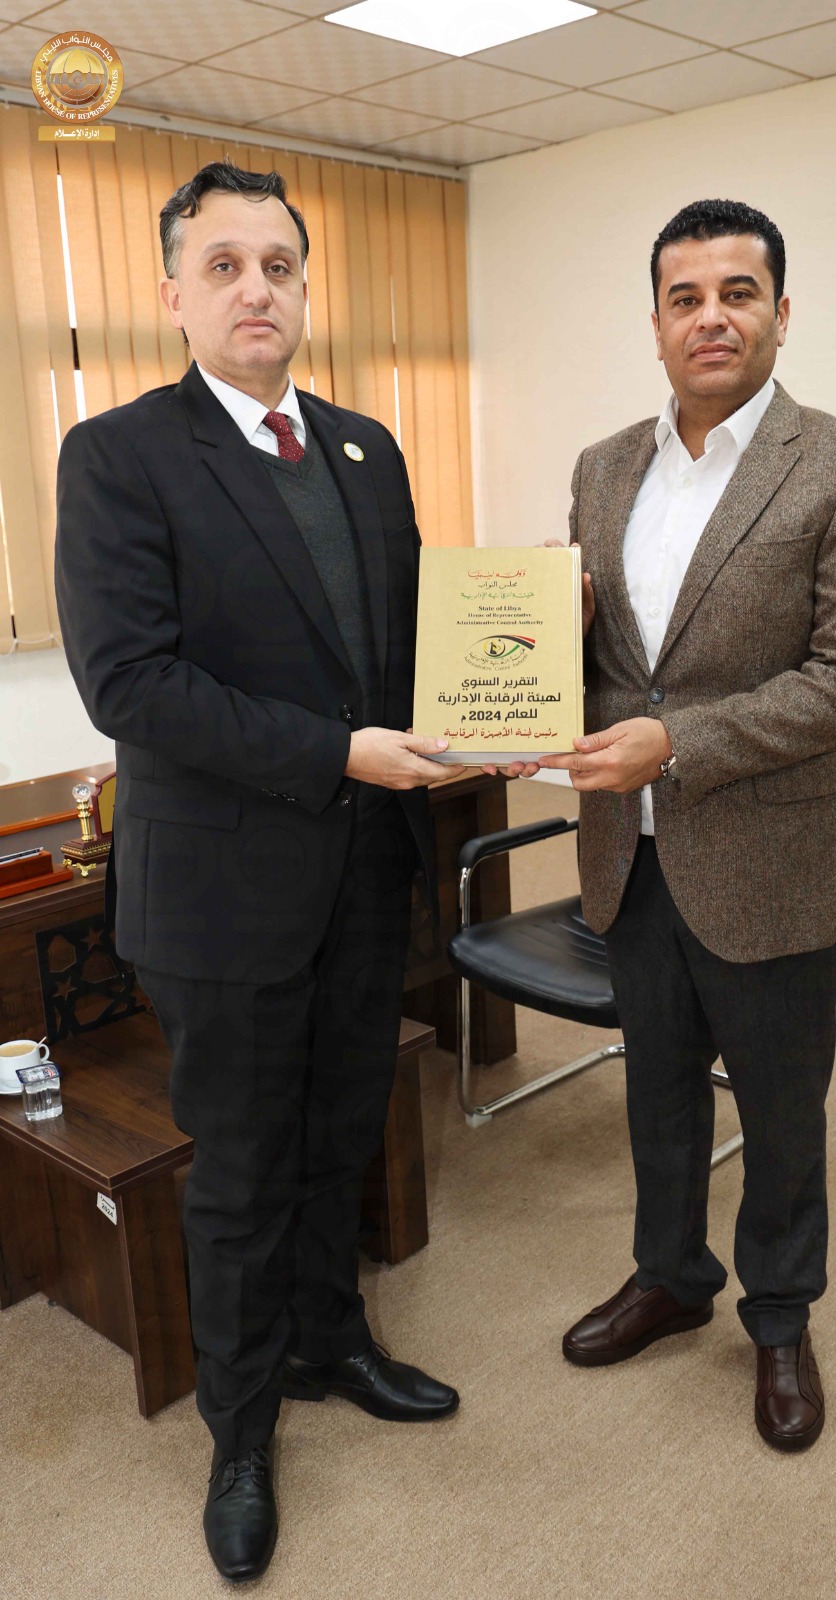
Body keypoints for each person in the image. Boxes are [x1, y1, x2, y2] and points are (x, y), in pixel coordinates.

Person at [55, 160, 462, 1583]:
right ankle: (238, 1433)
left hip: (363, 873)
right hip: (222, 894)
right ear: (172, 294)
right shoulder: (117, 455)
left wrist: (513, 665)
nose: (255, 289)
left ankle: (328, 1341)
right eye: (222, 265)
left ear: (303, 288)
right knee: (236, 1171)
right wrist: (339, 750)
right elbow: (132, 685)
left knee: (341, 1129)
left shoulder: (364, 447)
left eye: (277, 265)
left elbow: (404, 643)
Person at [531, 198, 836, 1450]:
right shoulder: (601, 467)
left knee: (781, 1107)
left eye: (736, 293)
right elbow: (605, 664)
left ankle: (779, 1315)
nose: (710, 317)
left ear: (779, 314)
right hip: (627, 855)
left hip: (774, 859)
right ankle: (669, 1277)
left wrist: (676, 742)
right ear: (654, 324)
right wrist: (536, 654)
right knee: (655, 1091)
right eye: (684, 297)